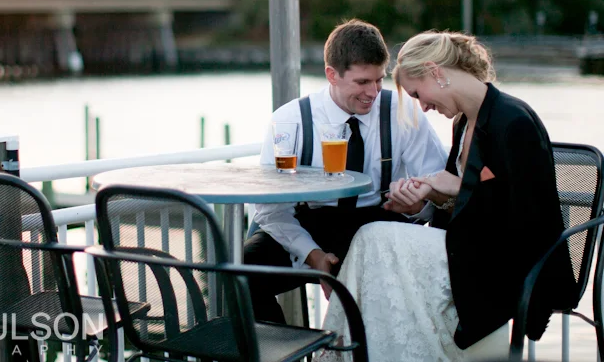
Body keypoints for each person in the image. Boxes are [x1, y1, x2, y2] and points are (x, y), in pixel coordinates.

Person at [316, 30, 577, 362]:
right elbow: (466, 207)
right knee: (374, 242)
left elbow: (525, 219)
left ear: (435, 72)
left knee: (374, 238)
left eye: (417, 93)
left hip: (508, 262)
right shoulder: (465, 122)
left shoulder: (513, 121)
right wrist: (429, 196)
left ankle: (347, 354)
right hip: (469, 247)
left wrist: (457, 186)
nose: (423, 107)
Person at [243, 19, 448, 324]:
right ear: (332, 75)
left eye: (379, 80)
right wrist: (313, 255)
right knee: (244, 272)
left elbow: (438, 189)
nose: (374, 92)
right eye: (362, 82)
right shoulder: (290, 120)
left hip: (378, 220)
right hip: (306, 222)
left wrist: (418, 207)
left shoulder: (404, 112)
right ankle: (280, 353)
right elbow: (271, 209)